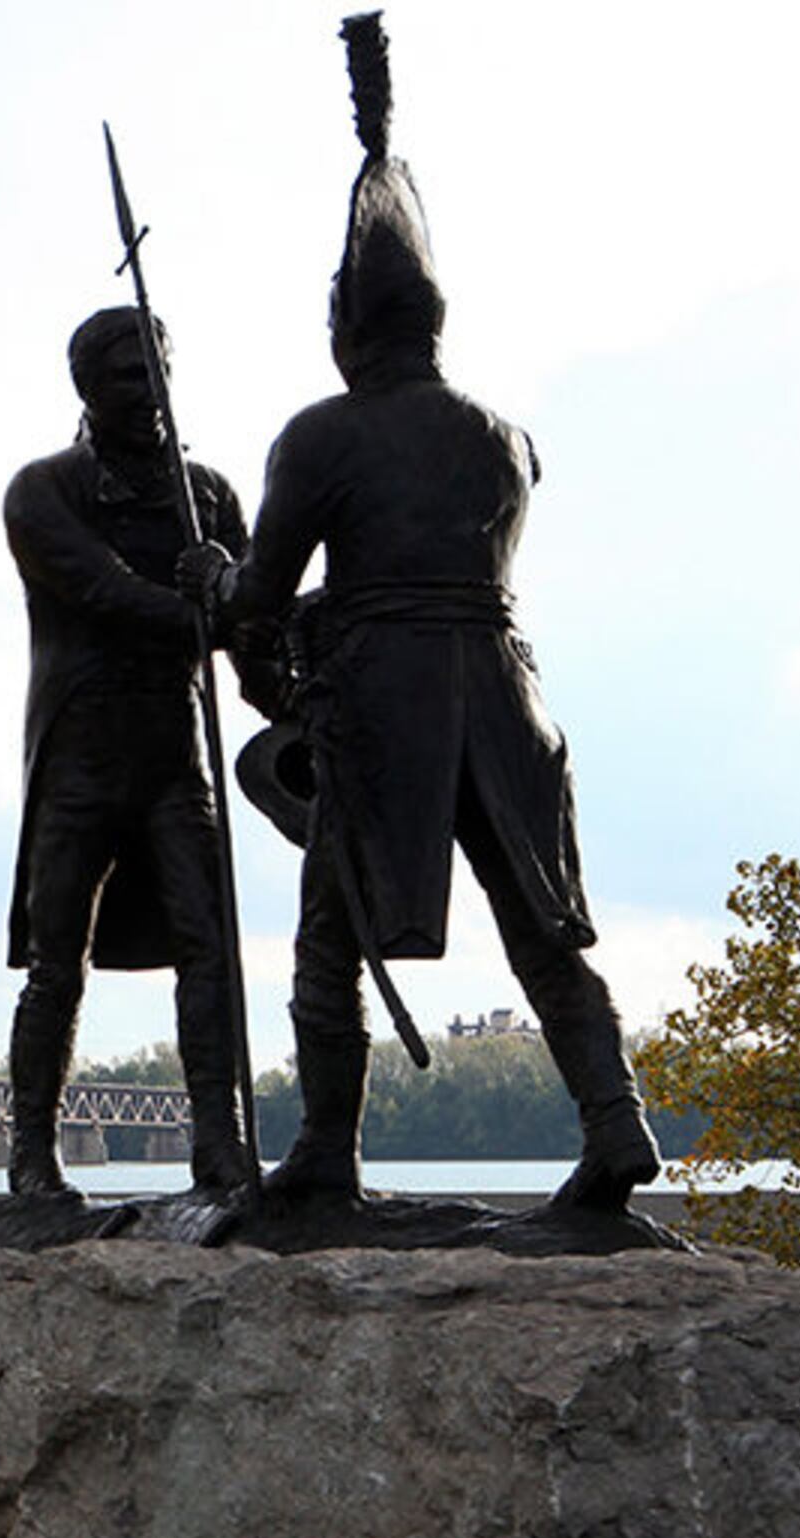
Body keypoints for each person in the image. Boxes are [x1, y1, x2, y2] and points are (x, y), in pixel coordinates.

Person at [198, 15, 659, 1213]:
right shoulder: (504, 437)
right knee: (542, 929)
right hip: (507, 695)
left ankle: (327, 1153)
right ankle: (617, 1126)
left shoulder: (322, 434)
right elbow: (446, 563)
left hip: (391, 703)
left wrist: (233, 608)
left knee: (325, 939)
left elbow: (264, 595)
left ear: (349, 325)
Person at [0, 304, 257, 1203]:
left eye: (159, 371)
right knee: (55, 959)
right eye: (126, 375)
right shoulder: (43, 493)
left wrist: (300, 683)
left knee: (208, 945)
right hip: (80, 752)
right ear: (87, 387)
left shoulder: (211, 496)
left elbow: (254, 640)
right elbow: (103, 592)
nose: (149, 391)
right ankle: (32, 1152)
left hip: (175, 749)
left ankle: (220, 1146)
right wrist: (211, 601)